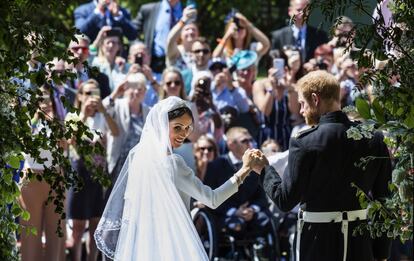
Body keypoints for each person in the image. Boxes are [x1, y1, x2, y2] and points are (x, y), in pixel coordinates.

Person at [94, 96, 262, 260]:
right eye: (177, 127)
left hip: (144, 243)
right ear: (162, 125)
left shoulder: (138, 158)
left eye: (188, 127)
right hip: (174, 243)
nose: (184, 133)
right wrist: (245, 169)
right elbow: (212, 199)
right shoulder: (173, 163)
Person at [254, 70, 392, 261]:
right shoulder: (374, 138)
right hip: (359, 243)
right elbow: (384, 199)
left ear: (315, 99)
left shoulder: (304, 141)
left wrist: (263, 169)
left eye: (302, 104)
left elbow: (285, 200)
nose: (301, 111)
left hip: (317, 242)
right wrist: (381, 252)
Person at [66, 79, 119, 261]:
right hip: (80, 173)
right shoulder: (74, 116)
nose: (92, 98)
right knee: (78, 227)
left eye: (95, 93)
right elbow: (70, 140)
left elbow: (116, 131)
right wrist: (84, 114)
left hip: (98, 175)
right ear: (80, 95)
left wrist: (103, 110)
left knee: (96, 227)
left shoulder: (102, 115)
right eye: (88, 93)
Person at [20, 85, 66, 261]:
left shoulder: (58, 121)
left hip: (55, 179)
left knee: (55, 235)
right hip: (32, 179)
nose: (44, 103)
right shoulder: (27, 120)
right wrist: (35, 117)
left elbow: (63, 146)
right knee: (31, 236)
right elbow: (24, 140)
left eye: (47, 99)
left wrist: (54, 122)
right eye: (40, 99)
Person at [133, 0, 183, 74]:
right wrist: (139, 48)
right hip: (153, 62)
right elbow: (132, 32)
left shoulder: (187, 11)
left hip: (179, 62)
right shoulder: (149, 9)